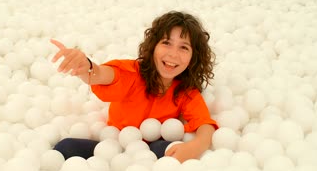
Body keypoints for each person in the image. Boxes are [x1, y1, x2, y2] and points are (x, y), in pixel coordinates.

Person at [50, 11, 218, 163]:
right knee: (65, 147)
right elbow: (103, 74)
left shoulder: (185, 91)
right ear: (153, 47)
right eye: (167, 43)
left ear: (193, 58)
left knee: (168, 150)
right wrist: (87, 66)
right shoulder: (133, 73)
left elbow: (204, 124)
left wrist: (194, 147)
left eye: (183, 47)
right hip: (112, 145)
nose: (173, 54)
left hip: (151, 151)